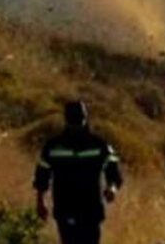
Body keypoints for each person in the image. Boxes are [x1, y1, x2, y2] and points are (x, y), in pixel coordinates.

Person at [34, 101, 123, 244]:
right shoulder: (54, 146)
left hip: (91, 209)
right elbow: (42, 175)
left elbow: (112, 167)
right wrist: (40, 202)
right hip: (65, 208)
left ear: (85, 119)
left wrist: (112, 187)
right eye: (73, 120)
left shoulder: (98, 144)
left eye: (78, 120)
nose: (76, 125)